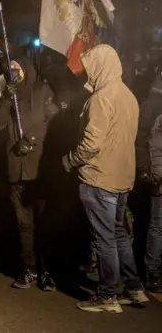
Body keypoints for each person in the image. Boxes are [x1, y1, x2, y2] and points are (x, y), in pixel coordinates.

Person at [63, 45, 147, 313]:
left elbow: (91, 144)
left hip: (100, 178)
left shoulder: (102, 98)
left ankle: (107, 295)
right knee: (120, 234)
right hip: (122, 178)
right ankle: (134, 289)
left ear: (101, 65)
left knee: (105, 239)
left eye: (90, 66)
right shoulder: (128, 95)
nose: (87, 72)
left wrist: (70, 159)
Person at [0, 56, 59, 291]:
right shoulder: (7, 93)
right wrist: (6, 99)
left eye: (16, 67)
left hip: (38, 168)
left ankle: (46, 270)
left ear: (26, 68)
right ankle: (29, 268)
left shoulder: (42, 89)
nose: (13, 71)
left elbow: (51, 121)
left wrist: (30, 139)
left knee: (43, 222)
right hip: (15, 169)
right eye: (9, 69)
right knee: (23, 224)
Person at [134, 67, 162, 293]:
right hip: (158, 175)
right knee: (157, 225)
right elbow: (141, 138)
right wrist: (145, 168)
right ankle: (152, 270)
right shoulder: (152, 104)